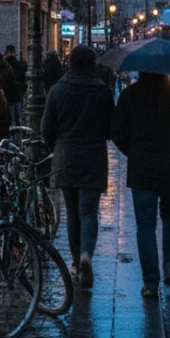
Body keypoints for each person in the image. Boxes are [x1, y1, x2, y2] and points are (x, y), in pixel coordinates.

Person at [111, 71, 170, 298]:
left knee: (145, 226)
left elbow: (117, 133)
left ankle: (150, 282)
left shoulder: (130, 95)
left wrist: (133, 152)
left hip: (142, 169)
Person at [40, 45, 114, 289]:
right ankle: (86, 256)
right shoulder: (102, 91)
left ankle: (74, 262)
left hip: (66, 156)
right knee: (89, 211)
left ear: (69, 63)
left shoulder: (58, 90)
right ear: (93, 63)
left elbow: (46, 129)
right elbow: (111, 128)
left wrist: (56, 147)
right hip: (93, 157)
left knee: (72, 213)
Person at [5, 45, 28, 126]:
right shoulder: (19, 64)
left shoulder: (4, 65)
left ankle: (12, 134)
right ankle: (18, 135)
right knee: (18, 116)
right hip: (17, 93)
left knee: (11, 117)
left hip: (9, 94)